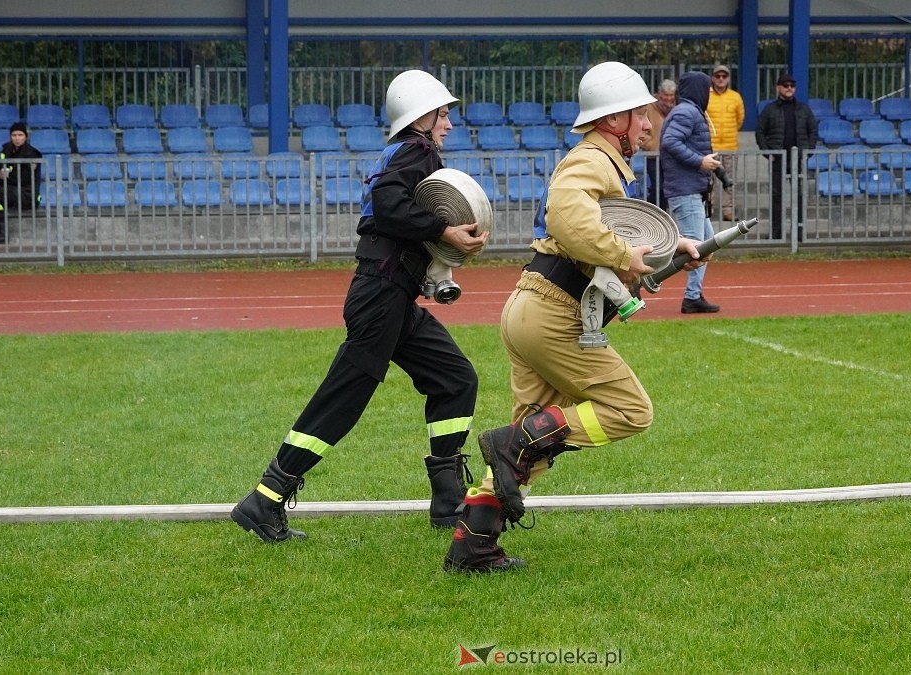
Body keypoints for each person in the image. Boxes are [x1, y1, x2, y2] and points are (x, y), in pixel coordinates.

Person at [442, 61, 708, 573]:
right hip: (554, 316)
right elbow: (568, 215)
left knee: (532, 445)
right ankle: (508, 441)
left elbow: (609, 238)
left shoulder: (602, 165)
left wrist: (674, 247)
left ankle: (471, 547)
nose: (650, 123)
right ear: (613, 121)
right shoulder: (591, 162)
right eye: (640, 114)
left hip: (534, 309)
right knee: (631, 410)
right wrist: (622, 255)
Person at [231, 69, 489, 542]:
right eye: (443, 113)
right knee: (342, 401)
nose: (449, 122)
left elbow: (393, 213)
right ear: (421, 117)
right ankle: (266, 500)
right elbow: (388, 207)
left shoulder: (407, 152)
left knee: (455, 378)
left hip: (391, 297)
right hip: (380, 299)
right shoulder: (418, 150)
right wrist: (443, 231)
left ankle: (448, 500)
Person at [660, 70, 722, 314]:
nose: (709, 93)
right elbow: (670, 142)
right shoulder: (687, 112)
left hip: (689, 189)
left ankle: (693, 296)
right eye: (706, 89)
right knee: (696, 248)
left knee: (706, 244)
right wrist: (700, 161)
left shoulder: (688, 111)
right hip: (685, 190)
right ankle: (639, 279)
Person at [755, 72, 818, 241]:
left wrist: (808, 151)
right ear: (778, 88)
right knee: (777, 198)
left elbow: (813, 130)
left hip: (798, 160)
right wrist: (769, 154)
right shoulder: (769, 110)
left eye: (792, 85)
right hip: (778, 160)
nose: (789, 88)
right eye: (785, 85)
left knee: (799, 196)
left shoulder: (804, 109)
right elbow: (760, 132)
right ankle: (777, 234)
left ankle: (799, 234)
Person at [0, 121, 42, 245]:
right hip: (10, 188)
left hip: (27, 194)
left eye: (20, 135)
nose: (17, 138)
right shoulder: (5, 149)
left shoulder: (32, 153)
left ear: (26, 137)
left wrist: (6, 177)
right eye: (14, 135)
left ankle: (1, 232)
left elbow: (25, 179)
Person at [705, 63, 745, 221]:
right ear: (712, 78)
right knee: (709, 180)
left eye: (724, 76)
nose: (721, 79)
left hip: (730, 146)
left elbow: (740, 119)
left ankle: (728, 211)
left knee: (729, 180)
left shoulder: (735, 97)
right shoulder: (707, 95)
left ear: (728, 78)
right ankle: (709, 208)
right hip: (711, 147)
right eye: (717, 76)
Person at [639, 78, 676, 210]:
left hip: (671, 155)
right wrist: (649, 144)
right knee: (657, 187)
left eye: (671, 95)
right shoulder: (649, 107)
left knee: (667, 188)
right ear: (659, 94)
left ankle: (662, 216)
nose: (668, 98)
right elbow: (640, 128)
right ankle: (650, 212)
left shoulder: (676, 108)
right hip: (653, 155)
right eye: (666, 95)